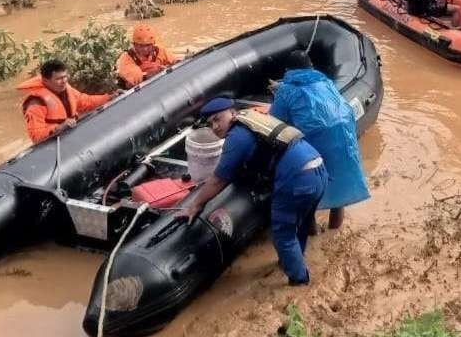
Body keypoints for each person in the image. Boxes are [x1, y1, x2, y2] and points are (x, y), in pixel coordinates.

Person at [177, 95, 328, 285]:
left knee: (282, 234)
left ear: (232, 113)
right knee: (301, 222)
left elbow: (217, 181)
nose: (214, 126)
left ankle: (299, 283)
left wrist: (194, 205)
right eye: (210, 123)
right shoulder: (252, 119)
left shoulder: (237, 137)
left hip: (297, 179)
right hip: (318, 167)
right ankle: (293, 261)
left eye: (217, 119)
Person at [269, 50, 368, 231]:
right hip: (344, 139)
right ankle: (334, 233)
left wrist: (279, 93)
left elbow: (274, 120)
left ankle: (313, 237)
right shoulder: (326, 82)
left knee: (310, 196)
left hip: (316, 144)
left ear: (287, 70)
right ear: (311, 67)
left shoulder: (285, 91)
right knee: (340, 191)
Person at [18, 60, 111, 143]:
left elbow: (86, 102)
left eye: (65, 77)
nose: (64, 81)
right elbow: (36, 137)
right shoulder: (36, 103)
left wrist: (109, 97)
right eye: (59, 79)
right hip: (54, 142)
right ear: (45, 80)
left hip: (71, 133)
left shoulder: (66, 89)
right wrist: (59, 127)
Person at [116, 23, 178, 89]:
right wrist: (150, 74)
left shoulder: (160, 51)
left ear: (153, 44)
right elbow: (135, 77)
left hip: (161, 85)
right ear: (134, 44)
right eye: (141, 46)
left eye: (148, 45)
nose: (145, 49)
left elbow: (175, 61)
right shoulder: (127, 57)